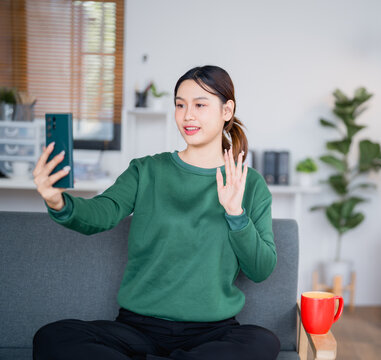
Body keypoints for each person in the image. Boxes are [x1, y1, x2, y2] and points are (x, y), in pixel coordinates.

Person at [31, 65, 281, 360]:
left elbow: (261, 269)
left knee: (263, 342)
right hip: (137, 329)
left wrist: (236, 214)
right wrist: (58, 201)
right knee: (53, 337)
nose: (187, 115)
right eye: (180, 105)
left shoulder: (249, 184)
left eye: (200, 105)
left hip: (212, 332)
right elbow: (103, 211)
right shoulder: (146, 170)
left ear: (227, 110)